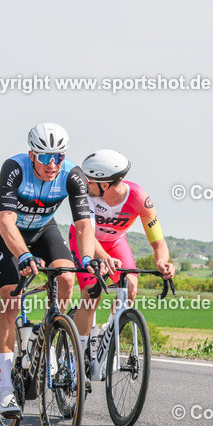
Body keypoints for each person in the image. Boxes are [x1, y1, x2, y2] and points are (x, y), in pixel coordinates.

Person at [0, 123, 102, 417]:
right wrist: (24, 256)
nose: (53, 164)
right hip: (8, 232)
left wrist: (87, 258)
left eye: (59, 157)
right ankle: (4, 387)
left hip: (43, 230)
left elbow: (85, 224)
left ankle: (50, 333)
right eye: (45, 157)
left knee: (66, 277)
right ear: (32, 154)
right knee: (10, 300)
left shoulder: (72, 175)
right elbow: (6, 222)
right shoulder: (14, 167)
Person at [69, 150, 175, 368]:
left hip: (116, 243)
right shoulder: (87, 195)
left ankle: (107, 334)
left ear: (105, 184)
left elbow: (158, 242)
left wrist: (162, 261)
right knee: (91, 293)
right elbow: (86, 232)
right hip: (85, 241)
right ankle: (77, 357)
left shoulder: (138, 198)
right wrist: (103, 258)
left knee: (130, 288)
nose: (86, 184)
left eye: (90, 181)